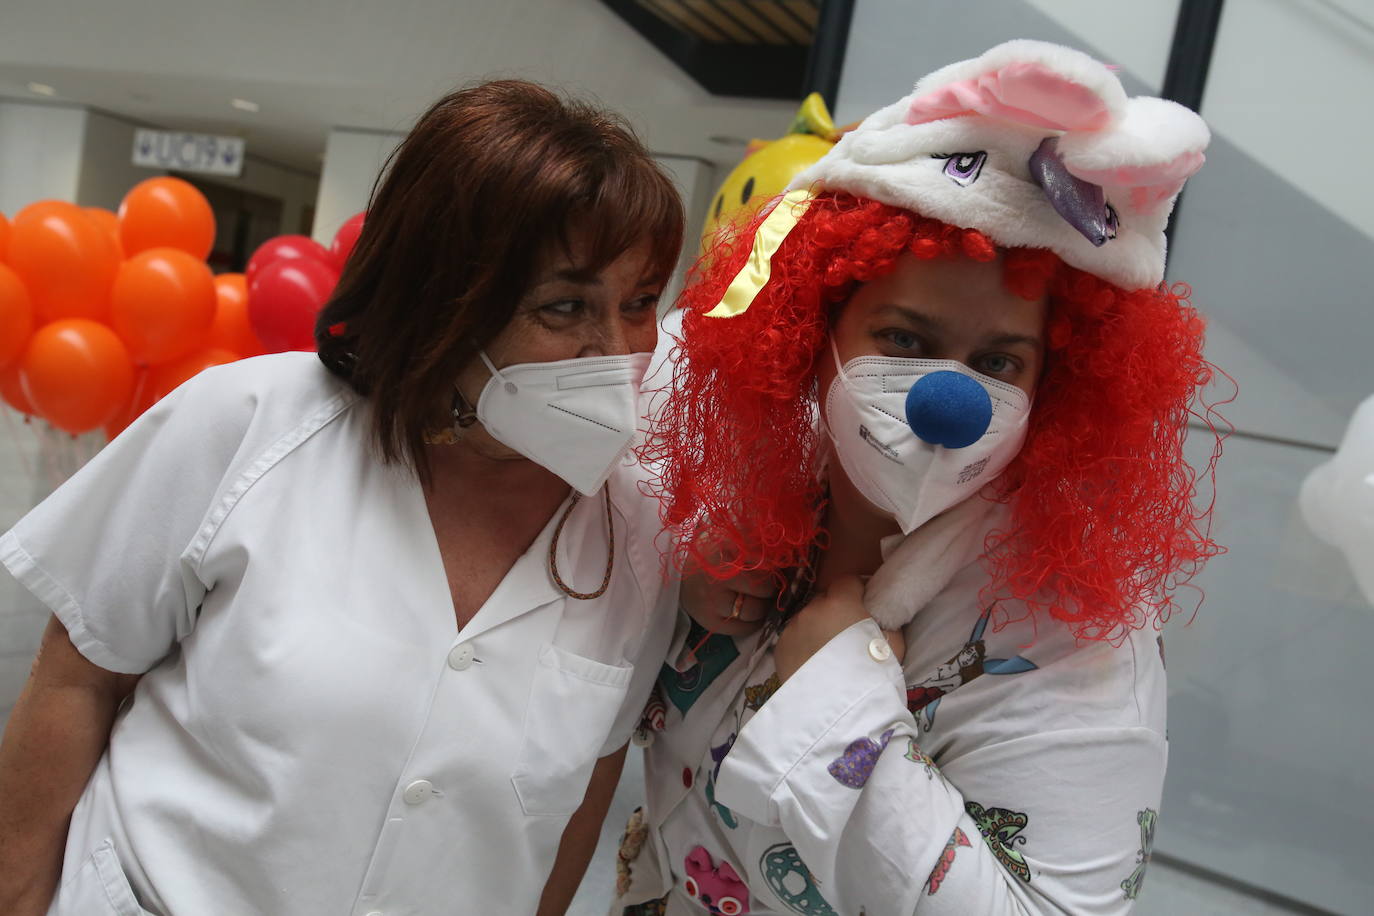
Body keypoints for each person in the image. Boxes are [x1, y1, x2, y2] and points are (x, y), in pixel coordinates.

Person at [0, 80, 683, 915]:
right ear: (446, 302)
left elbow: (587, 784)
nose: (613, 351)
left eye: (642, 303)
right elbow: (78, 679)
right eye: (564, 306)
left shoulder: (636, 534)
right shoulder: (249, 424)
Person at [616, 40, 1223, 915]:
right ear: (810, 332)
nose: (952, 401)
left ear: (1057, 384)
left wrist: (842, 693)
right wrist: (677, 584)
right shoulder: (749, 498)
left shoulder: (1075, 631)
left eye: (1000, 360)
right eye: (904, 338)